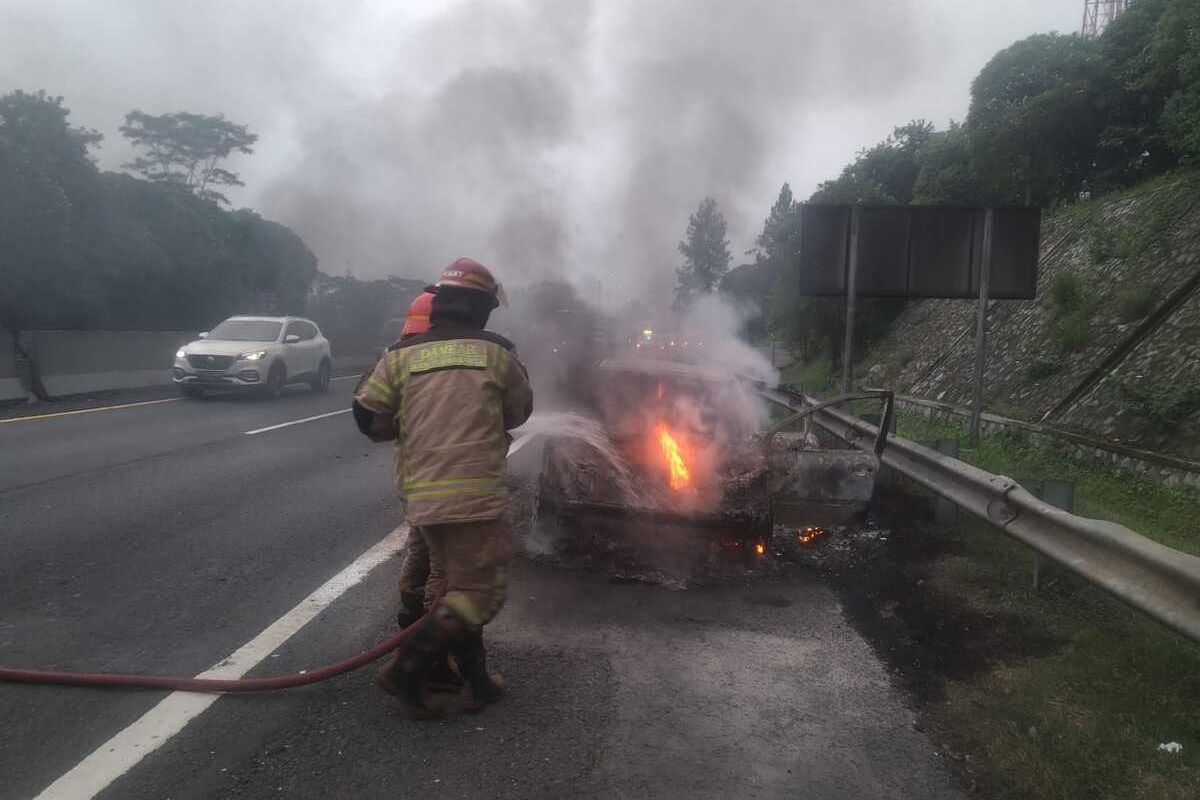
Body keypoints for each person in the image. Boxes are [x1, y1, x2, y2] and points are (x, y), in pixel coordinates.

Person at [353, 258, 533, 717]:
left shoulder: (399, 356)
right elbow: (519, 413)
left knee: (454, 592)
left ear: (440, 304)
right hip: (475, 498)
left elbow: (370, 419)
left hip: (423, 497)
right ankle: (406, 669)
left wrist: (415, 420)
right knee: (480, 595)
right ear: (483, 308)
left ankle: (477, 681)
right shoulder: (497, 353)